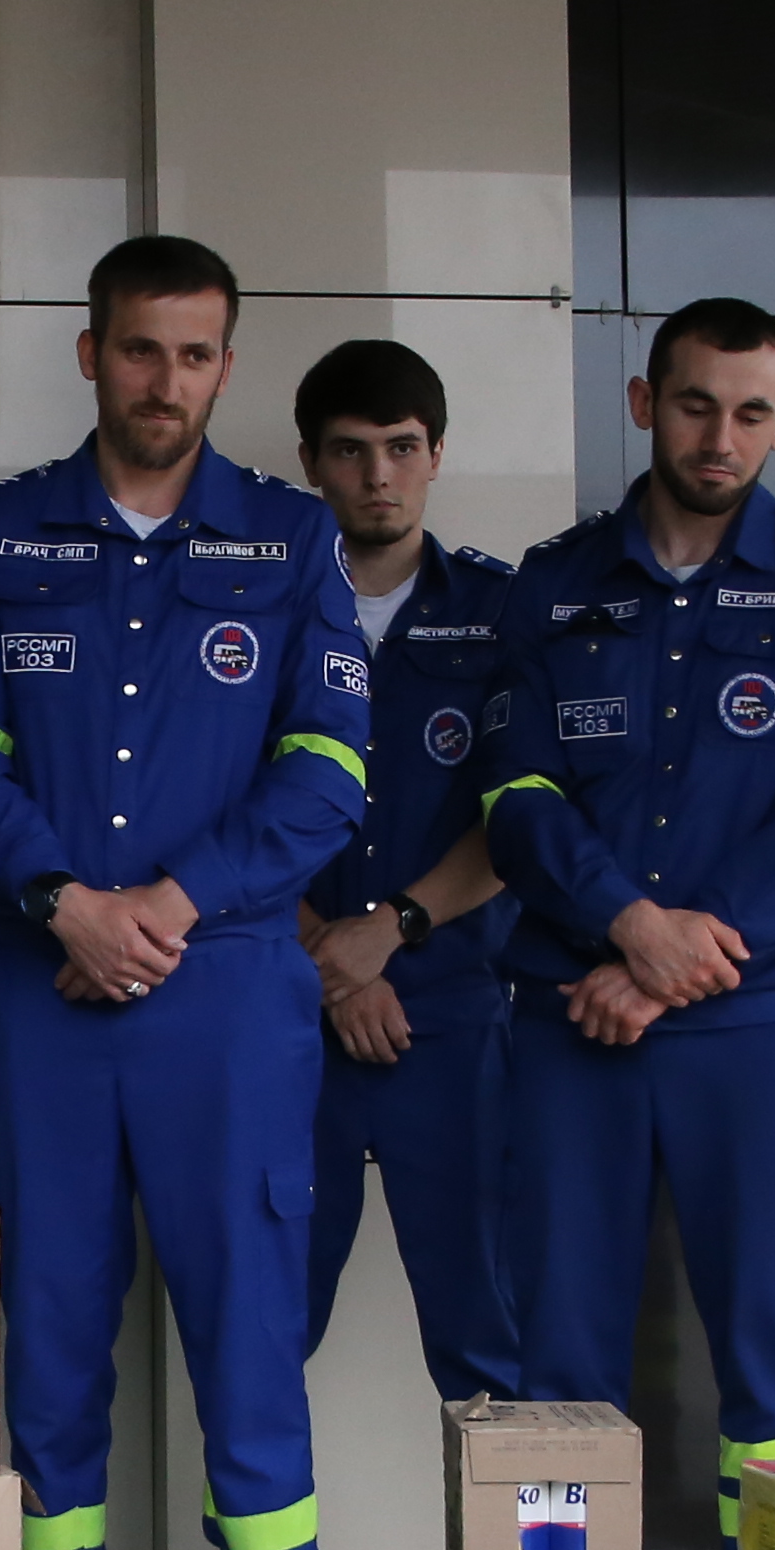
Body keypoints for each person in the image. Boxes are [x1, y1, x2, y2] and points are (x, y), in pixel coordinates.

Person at [0, 237, 368, 1550]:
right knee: (48, 1340)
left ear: (226, 366)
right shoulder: (0, 533)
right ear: (89, 351)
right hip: (46, 994)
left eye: (193, 353)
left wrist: (162, 906)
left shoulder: (290, 542)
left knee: (248, 1336)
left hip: (226, 994)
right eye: (138, 349)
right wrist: (65, 903)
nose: (164, 380)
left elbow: (327, 771)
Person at [478, 297, 775, 1550]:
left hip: (752, 1030)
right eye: (694, 404)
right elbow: (517, 793)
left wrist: (666, 959)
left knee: (771, 1371)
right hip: (571, 1031)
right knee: (561, 1376)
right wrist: (622, 923)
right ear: (642, 402)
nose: (720, 436)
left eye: (750, 410)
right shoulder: (551, 584)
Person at [287, 339, 523, 1404]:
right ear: (310, 463)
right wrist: (331, 960)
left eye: (400, 447)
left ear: (436, 456)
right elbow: (206, 808)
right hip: (287, 1009)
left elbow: (527, 812)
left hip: (457, 1011)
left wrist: (392, 929)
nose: (378, 475)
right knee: (267, 1324)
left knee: (490, 1331)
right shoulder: (252, 610)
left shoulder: (504, 613)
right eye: (350, 451)